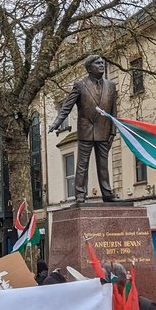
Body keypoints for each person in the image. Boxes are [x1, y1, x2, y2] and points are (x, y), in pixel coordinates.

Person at [48, 54, 118, 202]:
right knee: (82, 165)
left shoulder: (111, 86)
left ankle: (107, 193)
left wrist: (113, 132)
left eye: (102, 63)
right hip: (86, 130)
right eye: (97, 63)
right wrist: (56, 123)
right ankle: (80, 195)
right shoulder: (80, 86)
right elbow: (66, 107)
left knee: (103, 164)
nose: (101, 65)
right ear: (89, 68)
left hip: (104, 130)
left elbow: (113, 112)